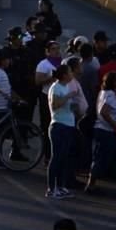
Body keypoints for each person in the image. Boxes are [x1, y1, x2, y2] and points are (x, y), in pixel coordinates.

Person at [85, 71, 116, 193]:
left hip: (104, 130)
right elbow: (104, 112)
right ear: (114, 82)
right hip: (106, 131)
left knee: (113, 158)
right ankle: (91, 184)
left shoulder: (104, 93)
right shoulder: (110, 95)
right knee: (102, 158)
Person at [47, 61, 79, 199]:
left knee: (63, 158)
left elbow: (67, 106)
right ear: (65, 75)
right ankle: (51, 188)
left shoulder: (65, 87)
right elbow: (55, 105)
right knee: (57, 158)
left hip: (68, 125)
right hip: (59, 126)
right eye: (70, 72)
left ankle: (60, 186)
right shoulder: (56, 87)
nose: (72, 74)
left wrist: (75, 107)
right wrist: (68, 97)